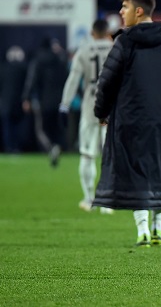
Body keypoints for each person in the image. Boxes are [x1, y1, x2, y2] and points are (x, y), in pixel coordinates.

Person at [93, 0, 161, 247]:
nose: (121, 12)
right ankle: (159, 228)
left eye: (124, 7)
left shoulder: (124, 41)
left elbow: (107, 81)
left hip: (130, 119)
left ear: (139, 11)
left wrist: (101, 111)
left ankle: (142, 231)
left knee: (135, 173)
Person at [59, 19, 114, 213]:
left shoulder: (84, 50)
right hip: (113, 107)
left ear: (92, 33)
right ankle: (107, 201)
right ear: (108, 32)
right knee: (111, 155)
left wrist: (65, 105)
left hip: (91, 105)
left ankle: (89, 198)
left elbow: (73, 79)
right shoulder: (117, 49)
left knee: (87, 154)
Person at [22, 37, 69, 165]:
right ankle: (59, 146)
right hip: (61, 101)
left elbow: (31, 80)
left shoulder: (38, 60)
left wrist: (26, 98)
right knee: (58, 128)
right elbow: (67, 79)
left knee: (41, 129)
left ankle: (51, 147)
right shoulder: (60, 60)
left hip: (44, 101)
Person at [0, 46, 29, 154]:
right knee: (17, 127)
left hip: (6, 103)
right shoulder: (23, 69)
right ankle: (16, 147)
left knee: (8, 127)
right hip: (18, 102)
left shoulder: (3, 68)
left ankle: (9, 147)